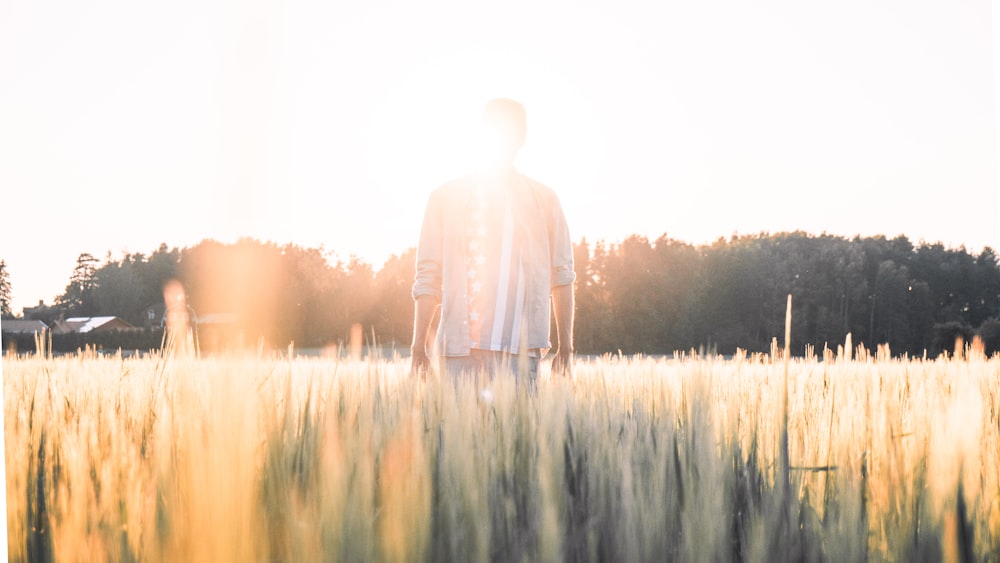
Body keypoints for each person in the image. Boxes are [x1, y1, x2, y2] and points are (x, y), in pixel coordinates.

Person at [410, 98, 576, 386]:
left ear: (522, 138)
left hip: (521, 355)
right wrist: (417, 347)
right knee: (454, 432)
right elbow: (428, 277)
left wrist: (566, 348)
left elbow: (562, 277)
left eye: (510, 131)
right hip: (458, 354)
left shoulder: (544, 201)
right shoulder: (445, 198)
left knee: (519, 433)